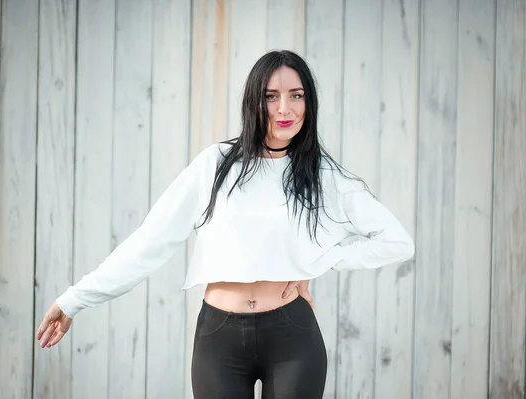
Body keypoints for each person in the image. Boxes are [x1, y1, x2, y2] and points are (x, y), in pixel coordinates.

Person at [36, 50, 415, 398]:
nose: (285, 108)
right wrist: (74, 300)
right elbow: (149, 243)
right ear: (254, 101)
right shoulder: (216, 165)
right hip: (219, 337)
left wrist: (320, 260)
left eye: (296, 95)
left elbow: (397, 242)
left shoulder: (324, 175)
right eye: (271, 96)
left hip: (293, 337)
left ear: (308, 102)